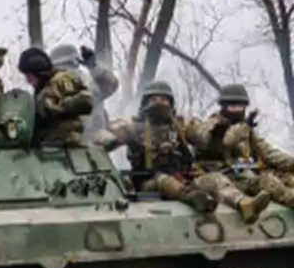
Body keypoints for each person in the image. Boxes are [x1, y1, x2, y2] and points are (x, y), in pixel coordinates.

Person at [92, 80, 271, 222]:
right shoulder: (132, 127)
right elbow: (102, 137)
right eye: (154, 100)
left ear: (171, 103)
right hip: (148, 182)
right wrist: (107, 137)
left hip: (185, 177)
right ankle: (196, 199)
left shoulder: (182, 126)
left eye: (164, 99)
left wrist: (218, 132)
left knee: (216, 179)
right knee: (164, 180)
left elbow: (204, 139)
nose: (159, 103)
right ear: (145, 103)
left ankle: (244, 205)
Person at [191, 83, 294, 208]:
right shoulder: (212, 126)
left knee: (280, 178)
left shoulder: (246, 131)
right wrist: (244, 126)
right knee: (266, 182)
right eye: (232, 106)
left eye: (240, 106)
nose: (236, 110)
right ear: (223, 106)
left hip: (245, 176)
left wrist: (291, 162)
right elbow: (226, 141)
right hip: (222, 180)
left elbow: (268, 152)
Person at [18, 46, 94, 146]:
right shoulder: (43, 90)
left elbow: (86, 101)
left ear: (40, 73)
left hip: (67, 141)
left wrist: (53, 107)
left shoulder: (61, 79)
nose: (28, 81)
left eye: (30, 76)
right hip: (50, 142)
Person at [48, 42, 119, 134]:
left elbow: (112, 84)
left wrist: (94, 67)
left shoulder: (89, 84)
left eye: (69, 67)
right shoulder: (51, 90)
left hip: (93, 142)